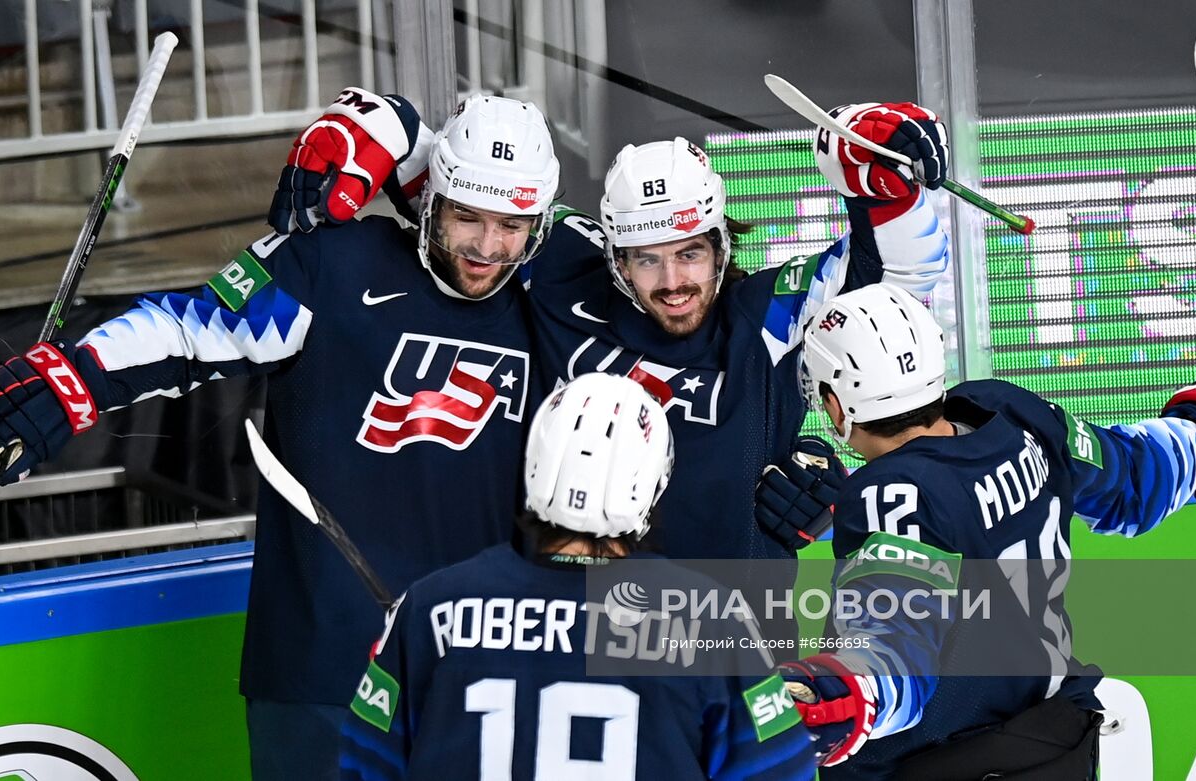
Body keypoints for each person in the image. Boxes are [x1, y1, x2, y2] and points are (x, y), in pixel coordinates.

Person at [0, 90, 561, 781]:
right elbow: (188, 330)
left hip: (479, 672)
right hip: (320, 675)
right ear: (433, 200)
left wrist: (397, 127)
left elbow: (648, 252)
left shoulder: (549, 300)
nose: (487, 246)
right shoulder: (331, 267)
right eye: (467, 216)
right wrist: (72, 383)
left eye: (511, 224)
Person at [271, 98, 954, 621]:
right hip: (581, 632)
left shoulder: (768, 317)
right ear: (613, 254)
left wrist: (875, 158)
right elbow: (460, 184)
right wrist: (375, 125)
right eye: (646, 260)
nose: (673, 281)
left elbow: (901, 278)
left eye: (691, 252)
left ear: (721, 243)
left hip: (731, 640)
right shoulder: (563, 271)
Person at [775, 283, 1196, 779]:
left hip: (947, 759)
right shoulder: (1013, 415)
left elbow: (900, 638)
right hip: (1055, 739)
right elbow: (1129, 478)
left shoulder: (891, 494)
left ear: (835, 405)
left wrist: (837, 691)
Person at [340, 372, 817, 781]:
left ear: (535, 464)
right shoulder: (708, 618)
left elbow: (365, 764)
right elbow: (782, 769)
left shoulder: (432, 606)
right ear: (652, 480)